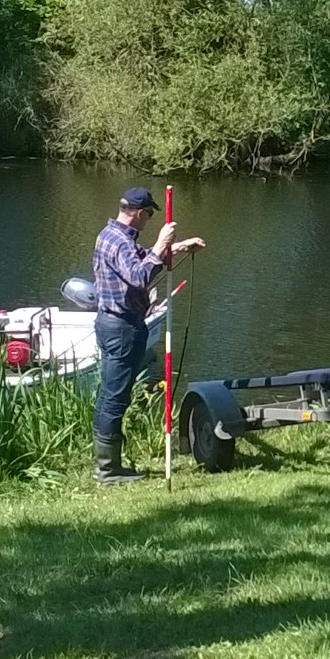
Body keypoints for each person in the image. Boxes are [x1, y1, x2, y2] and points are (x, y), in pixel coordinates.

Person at [91, 186, 203, 482]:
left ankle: (107, 464)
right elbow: (140, 276)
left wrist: (179, 247)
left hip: (111, 323)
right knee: (115, 398)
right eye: (150, 215)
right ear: (139, 213)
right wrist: (161, 243)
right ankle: (108, 470)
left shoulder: (111, 235)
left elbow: (142, 259)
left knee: (111, 395)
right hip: (122, 327)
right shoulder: (120, 242)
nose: (150, 220)